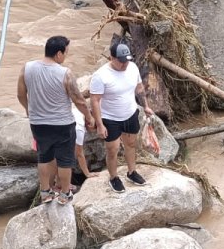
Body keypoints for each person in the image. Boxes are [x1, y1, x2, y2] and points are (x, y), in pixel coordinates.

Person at [17, 36, 94, 205]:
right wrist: (89, 117)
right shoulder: (64, 73)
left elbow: (20, 94)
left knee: (44, 157)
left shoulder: (27, 68)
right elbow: (78, 100)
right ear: (58, 53)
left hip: (38, 123)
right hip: (62, 124)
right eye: (66, 53)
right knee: (65, 160)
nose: (65, 56)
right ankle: (65, 194)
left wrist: (29, 110)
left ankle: (45, 192)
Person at [90, 42, 153, 193]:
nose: (124, 64)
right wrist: (99, 124)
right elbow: (95, 101)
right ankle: (113, 177)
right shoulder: (100, 76)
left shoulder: (132, 67)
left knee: (131, 144)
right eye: (121, 60)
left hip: (130, 113)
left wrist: (146, 106)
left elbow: (139, 88)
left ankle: (132, 172)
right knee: (112, 149)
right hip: (110, 118)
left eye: (127, 60)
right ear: (111, 58)